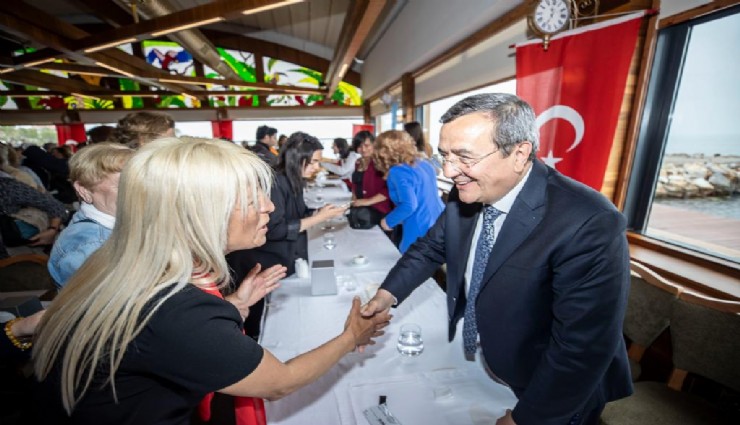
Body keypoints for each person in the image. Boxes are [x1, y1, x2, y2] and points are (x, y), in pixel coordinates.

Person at [32, 137, 390, 424]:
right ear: (200, 213)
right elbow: (280, 382)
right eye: (251, 199)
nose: (268, 207)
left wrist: (233, 304)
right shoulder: (172, 305)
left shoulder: (127, 262)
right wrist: (351, 336)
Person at [361, 93, 633, 425]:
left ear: (519, 153)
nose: (449, 170)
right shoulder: (467, 191)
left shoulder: (588, 222)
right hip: (488, 360)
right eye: (445, 156)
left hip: (550, 390)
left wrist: (524, 420)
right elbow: (430, 248)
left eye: (464, 157)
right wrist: (386, 295)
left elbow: (581, 349)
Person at [227, 132, 347, 338]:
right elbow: (275, 229)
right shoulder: (276, 182)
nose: (317, 167)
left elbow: (297, 213)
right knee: (259, 320)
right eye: (314, 162)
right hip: (262, 259)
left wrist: (319, 212)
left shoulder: (293, 179)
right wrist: (319, 218)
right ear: (297, 159)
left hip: (279, 256)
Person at [48, 143, 135, 287]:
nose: (137, 191)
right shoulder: (92, 246)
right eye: (122, 185)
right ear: (84, 190)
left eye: (138, 182)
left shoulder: (113, 223)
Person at [373, 130, 443, 253]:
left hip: (419, 226)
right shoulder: (424, 164)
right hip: (439, 221)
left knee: (409, 259)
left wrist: (388, 221)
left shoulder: (397, 171)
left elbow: (409, 205)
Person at [349, 131, 391, 228]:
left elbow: (389, 188)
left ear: (374, 145)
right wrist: (353, 200)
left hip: (378, 209)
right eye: (359, 146)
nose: (363, 149)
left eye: (367, 145)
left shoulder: (381, 162)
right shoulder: (358, 162)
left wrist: (368, 201)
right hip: (362, 209)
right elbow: (356, 184)